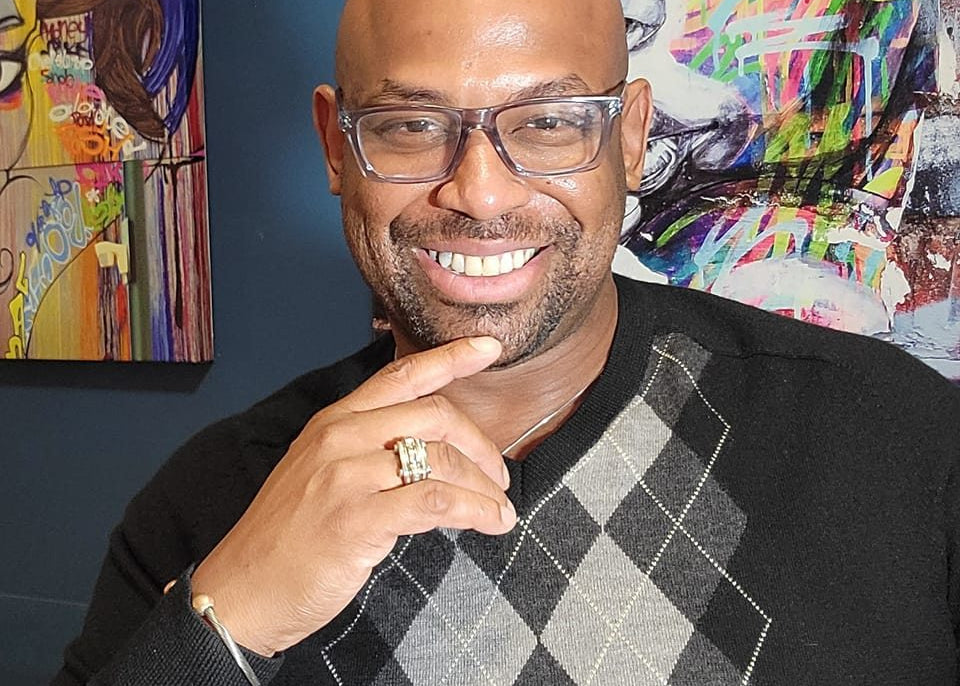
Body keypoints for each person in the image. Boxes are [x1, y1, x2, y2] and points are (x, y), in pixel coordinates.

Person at [55, 0, 960, 684]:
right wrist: (226, 624)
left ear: (632, 136)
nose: (481, 195)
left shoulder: (904, 440)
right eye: (411, 126)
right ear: (337, 148)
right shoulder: (204, 503)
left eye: (550, 123)